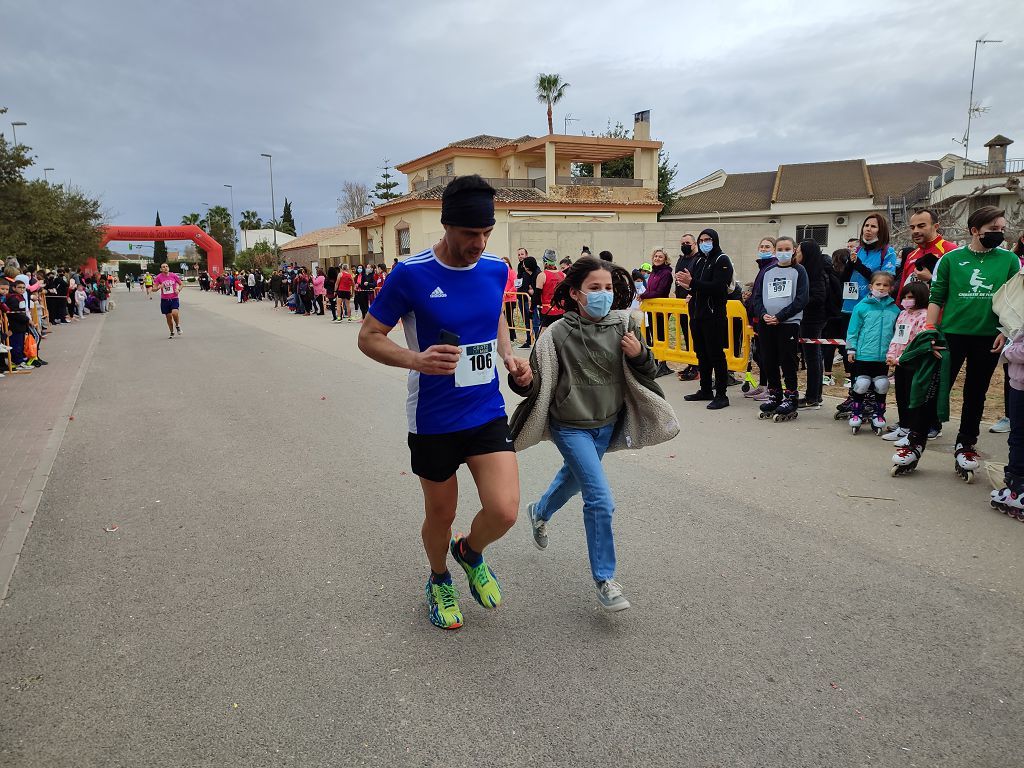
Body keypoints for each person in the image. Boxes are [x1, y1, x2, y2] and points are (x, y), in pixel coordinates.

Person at [357, 175, 530, 631]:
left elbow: (496, 318)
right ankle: (439, 579)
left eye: (487, 233)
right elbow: (368, 337)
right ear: (446, 225)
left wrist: (509, 356)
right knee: (441, 513)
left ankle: (469, 551)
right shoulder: (411, 274)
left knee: (505, 510)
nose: (480, 242)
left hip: (485, 409)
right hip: (432, 417)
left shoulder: (496, 269)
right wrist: (417, 358)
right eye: (471, 233)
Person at [511, 256, 675, 612]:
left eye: (608, 288)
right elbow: (536, 383)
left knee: (573, 478)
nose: (603, 295)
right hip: (570, 426)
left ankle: (539, 511)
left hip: (606, 424)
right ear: (575, 293)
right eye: (594, 288)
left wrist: (640, 353)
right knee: (600, 499)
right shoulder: (556, 334)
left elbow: (648, 370)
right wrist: (521, 378)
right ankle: (605, 579)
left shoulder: (624, 324)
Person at [924, 205, 1017, 482]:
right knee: (938, 386)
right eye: (993, 230)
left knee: (976, 393)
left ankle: (966, 444)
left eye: (1001, 229)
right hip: (951, 333)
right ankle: (918, 435)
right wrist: (930, 330)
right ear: (975, 230)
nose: (999, 234)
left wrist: (1006, 329)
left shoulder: (1009, 260)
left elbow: (1014, 300)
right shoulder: (952, 259)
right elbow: (937, 295)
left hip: (989, 336)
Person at [676, 228, 734, 409]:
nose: (704, 243)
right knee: (702, 354)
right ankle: (705, 389)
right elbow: (698, 286)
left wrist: (692, 283)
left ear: (715, 240)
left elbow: (718, 287)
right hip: (697, 314)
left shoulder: (721, 260)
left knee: (716, 355)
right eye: (701, 240)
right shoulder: (700, 259)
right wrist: (689, 287)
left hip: (713, 315)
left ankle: (722, 395)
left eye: (707, 239)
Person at [752, 237, 809, 421]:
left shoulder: (799, 271)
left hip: (788, 323)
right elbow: (757, 297)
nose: (783, 251)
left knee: (787, 359)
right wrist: (763, 315)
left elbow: (801, 299)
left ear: (793, 250)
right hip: (767, 323)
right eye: (780, 248)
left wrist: (781, 316)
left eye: (787, 248)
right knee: (768, 359)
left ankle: (791, 396)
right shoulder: (768, 271)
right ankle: (774, 393)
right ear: (775, 251)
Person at [845, 272, 899, 434]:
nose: (881, 288)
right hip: (863, 355)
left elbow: (897, 334)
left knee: (882, 385)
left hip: (883, 357)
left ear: (891, 288)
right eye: (878, 285)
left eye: (885, 285)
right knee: (861, 385)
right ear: (871, 286)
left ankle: (879, 414)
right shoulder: (861, 307)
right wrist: (851, 349)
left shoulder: (895, 310)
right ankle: (856, 413)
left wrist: (894, 354)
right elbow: (853, 330)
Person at [882, 281, 932, 444]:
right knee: (901, 395)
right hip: (899, 363)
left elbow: (919, 342)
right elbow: (897, 337)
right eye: (904, 297)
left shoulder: (924, 315)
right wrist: (891, 355)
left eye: (910, 297)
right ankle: (903, 426)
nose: (906, 300)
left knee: (913, 397)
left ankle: (913, 430)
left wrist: (902, 358)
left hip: (913, 363)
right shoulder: (903, 314)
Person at [743, 237, 778, 400]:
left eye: (768, 247)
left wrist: (752, 302)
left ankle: (771, 388)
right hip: (757, 318)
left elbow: (766, 294)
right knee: (760, 355)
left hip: (766, 317)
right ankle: (763, 385)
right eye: (762, 246)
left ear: (774, 249)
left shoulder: (773, 267)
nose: (764, 249)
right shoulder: (763, 267)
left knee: (767, 355)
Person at [796, 239, 829, 407]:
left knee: (812, 358)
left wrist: (798, 300)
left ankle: (812, 397)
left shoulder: (814, 273)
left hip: (812, 320)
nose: (796, 254)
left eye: (799, 251)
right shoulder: (807, 270)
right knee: (815, 357)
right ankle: (816, 395)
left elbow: (818, 297)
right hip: (810, 318)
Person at [898, 209, 958, 289]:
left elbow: (960, 285)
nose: (915, 231)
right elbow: (902, 290)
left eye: (921, 226)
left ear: (936, 226)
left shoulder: (951, 250)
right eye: (912, 227)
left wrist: (931, 278)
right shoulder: (911, 256)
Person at [643, 248, 674, 377]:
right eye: (655, 256)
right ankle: (655, 361)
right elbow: (650, 289)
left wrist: (644, 295)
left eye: (660, 257)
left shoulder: (666, 273)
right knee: (653, 335)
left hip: (661, 310)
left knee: (660, 336)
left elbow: (660, 292)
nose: (657, 258)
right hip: (652, 309)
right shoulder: (653, 273)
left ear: (665, 259)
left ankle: (663, 363)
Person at [673, 233, 700, 381]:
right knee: (686, 335)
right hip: (681, 303)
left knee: (695, 336)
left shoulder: (699, 259)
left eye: (688, 243)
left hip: (694, 303)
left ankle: (698, 367)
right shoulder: (682, 259)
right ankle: (691, 363)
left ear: (694, 244)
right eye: (682, 243)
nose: (685, 245)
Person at [153, 263, 183, 338]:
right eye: (163, 267)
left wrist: (178, 289)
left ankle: (177, 325)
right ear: (161, 269)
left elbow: (181, 284)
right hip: (165, 300)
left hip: (174, 298)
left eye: (166, 266)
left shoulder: (173, 275)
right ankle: (172, 332)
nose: (165, 268)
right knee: (168, 317)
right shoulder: (158, 277)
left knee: (175, 313)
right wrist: (159, 287)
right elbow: (153, 289)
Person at [518, 255, 539, 348]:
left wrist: (531, 291)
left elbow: (535, 290)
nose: (523, 266)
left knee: (535, 321)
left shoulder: (537, 274)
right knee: (527, 321)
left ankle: (538, 341)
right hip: (523, 298)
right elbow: (522, 284)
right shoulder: (523, 271)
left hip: (532, 301)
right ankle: (529, 339)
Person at [501, 256, 518, 341]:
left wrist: (508, 293)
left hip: (510, 299)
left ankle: (512, 336)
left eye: (505, 262)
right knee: (505, 318)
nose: (504, 264)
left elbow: (515, 285)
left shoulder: (512, 272)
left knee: (509, 318)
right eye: (502, 262)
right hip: (504, 300)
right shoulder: (502, 274)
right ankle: (511, 335)